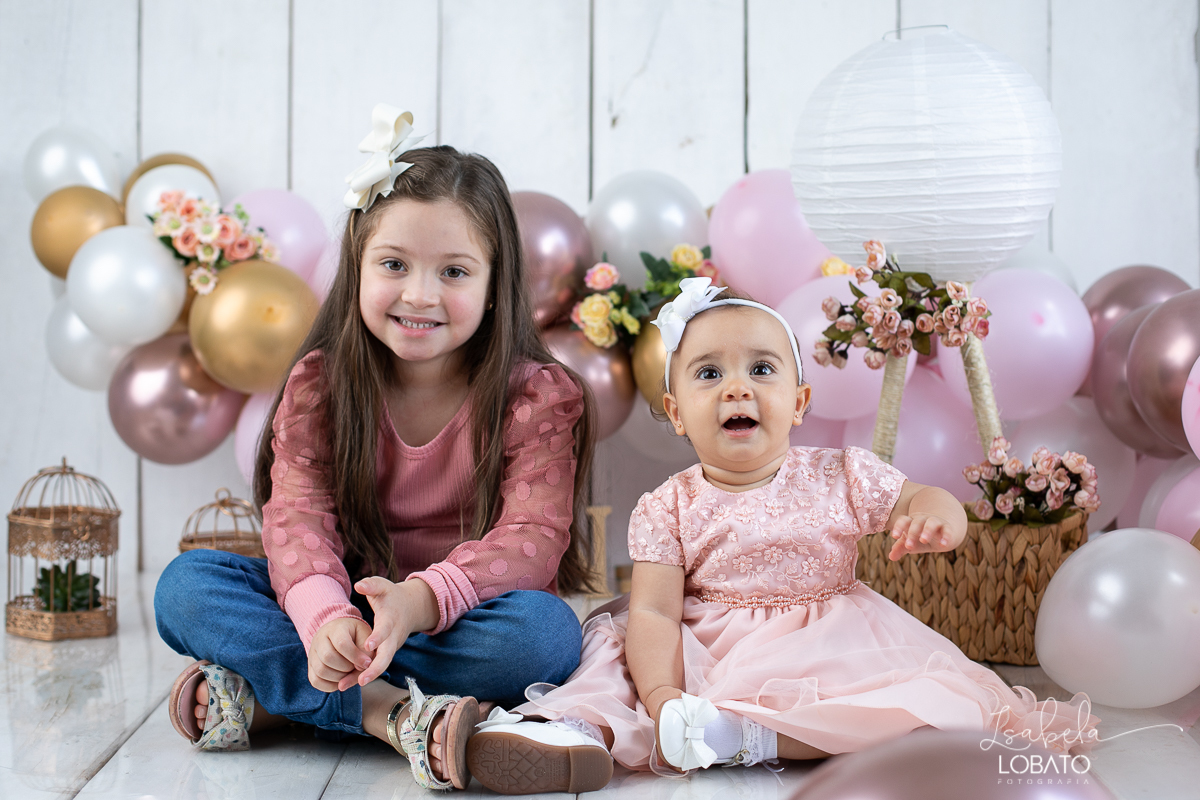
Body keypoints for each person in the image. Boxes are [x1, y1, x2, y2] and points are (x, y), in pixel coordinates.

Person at [464, 278, 1100, 795]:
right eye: (709, 374)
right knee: (616, 671)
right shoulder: (669, 505)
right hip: (704, 640)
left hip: (831, 641)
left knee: (917, 710)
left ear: (799, 402)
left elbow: (921, 497)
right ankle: (569, 732)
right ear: (678, 412)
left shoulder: (840, 474)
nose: (737, 386)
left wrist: (938, 517)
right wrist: (663, 697)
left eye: (760, 369)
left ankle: (745, 738)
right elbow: (655, 609)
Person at [154, 105, 598, 792]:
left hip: (448, 622)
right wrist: (328, 618)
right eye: (395, 264)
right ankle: (387, 713)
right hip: (331, 611)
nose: (420, 295)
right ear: (357, 268)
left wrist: (416, 603)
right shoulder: (321, 385)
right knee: (186, 589)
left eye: (454, 272)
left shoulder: (536, 396)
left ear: (492, 286)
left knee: (545, 637)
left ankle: (276, 703)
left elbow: (532, 539)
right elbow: (297, 520)